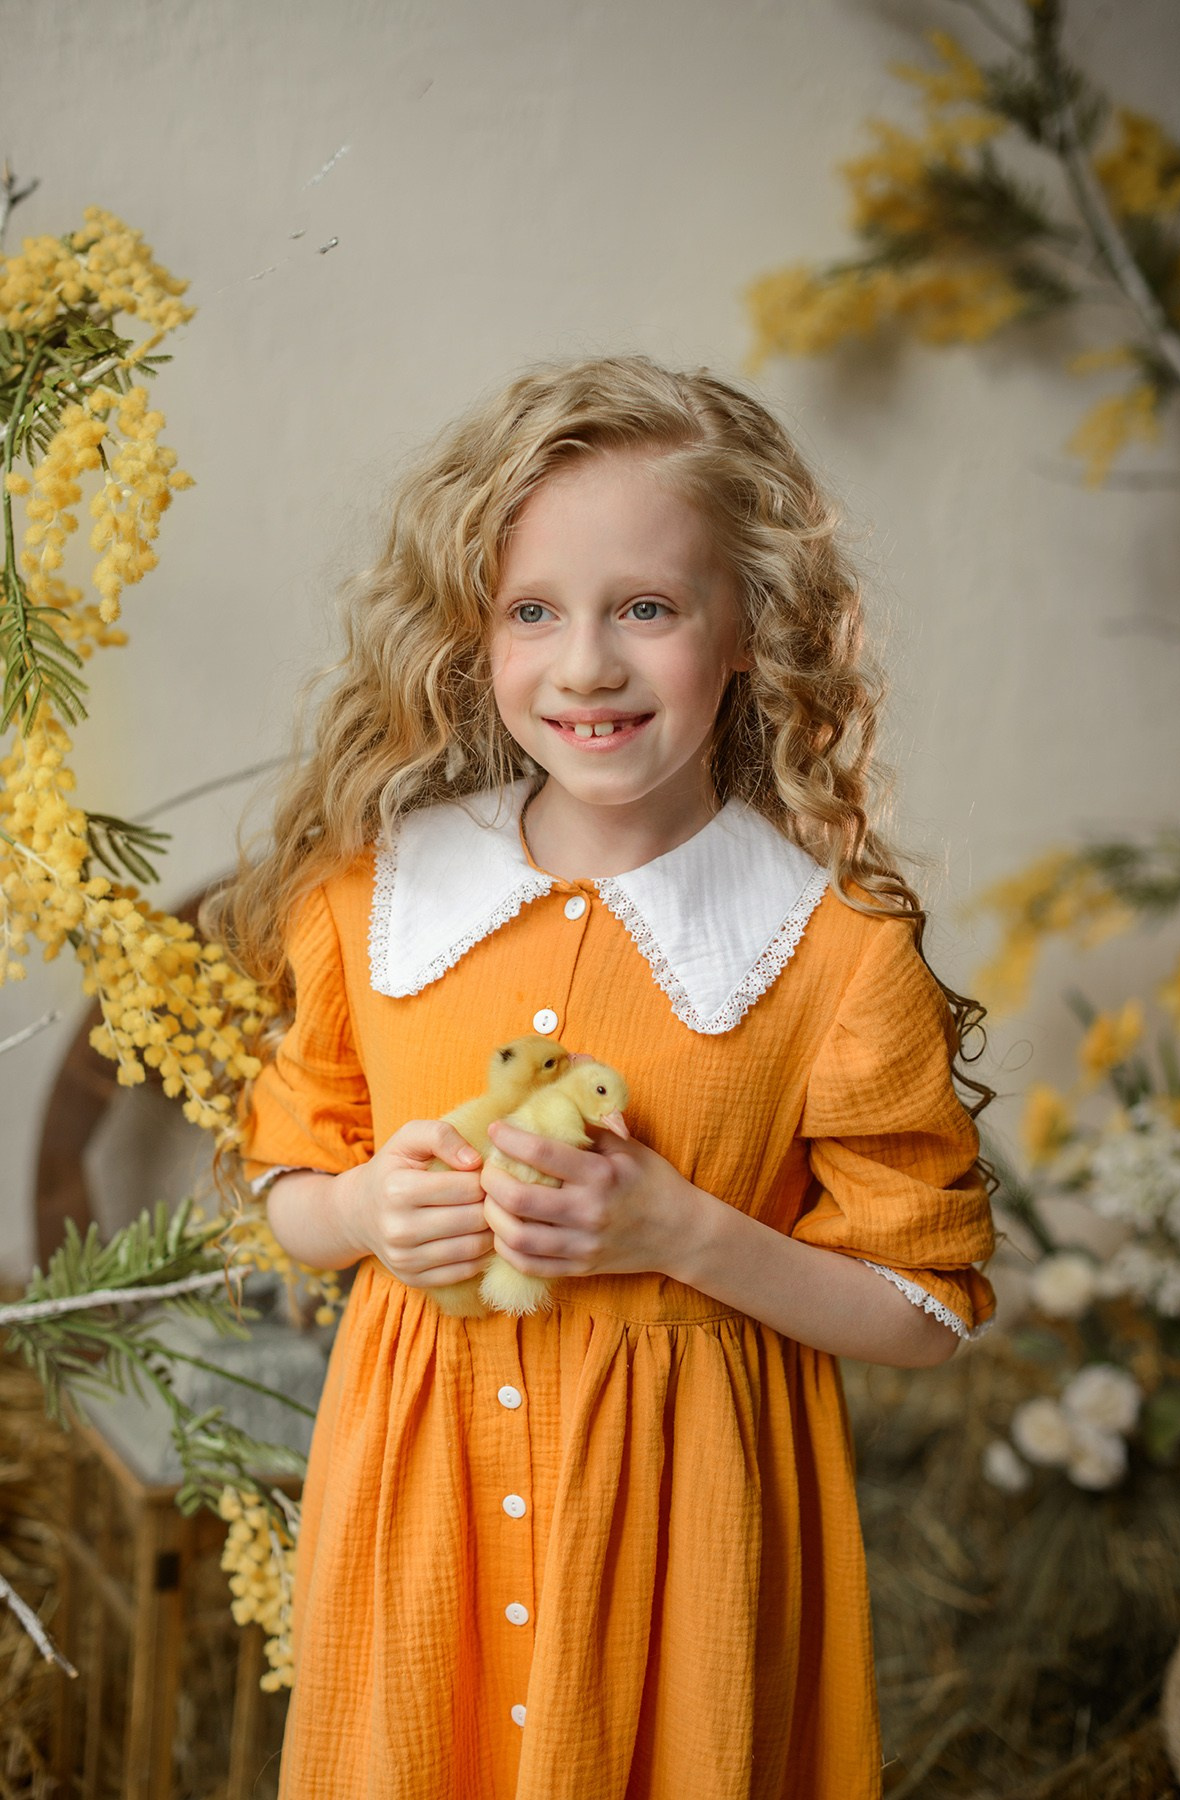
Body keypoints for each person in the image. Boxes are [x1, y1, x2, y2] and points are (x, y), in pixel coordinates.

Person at [215, 353, 998, 1800]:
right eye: (533, 612)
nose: (585, 665)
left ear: (752, 628)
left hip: (683, 1556)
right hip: (416, 1537)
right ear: (471, 634)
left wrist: (683, 1234)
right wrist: (367, 1214)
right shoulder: (365, 904)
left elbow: (924, 1315)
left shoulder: (827, 960)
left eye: (646, 607)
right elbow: (288, 1184)